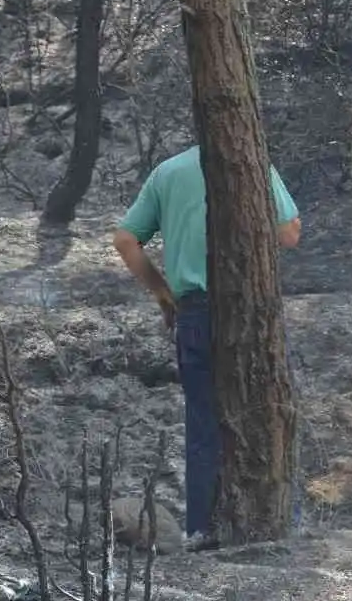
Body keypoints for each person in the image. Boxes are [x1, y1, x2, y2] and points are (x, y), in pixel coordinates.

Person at [112, 145, 302, 545]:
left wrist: (163, 294)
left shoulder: (167, 173)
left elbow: (126, 239)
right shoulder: (250, 161)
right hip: (251, 309)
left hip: (194, 311)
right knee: (270, 414)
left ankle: (203, 528)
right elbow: (289, 233)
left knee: (203, 424)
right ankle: (280, 522)